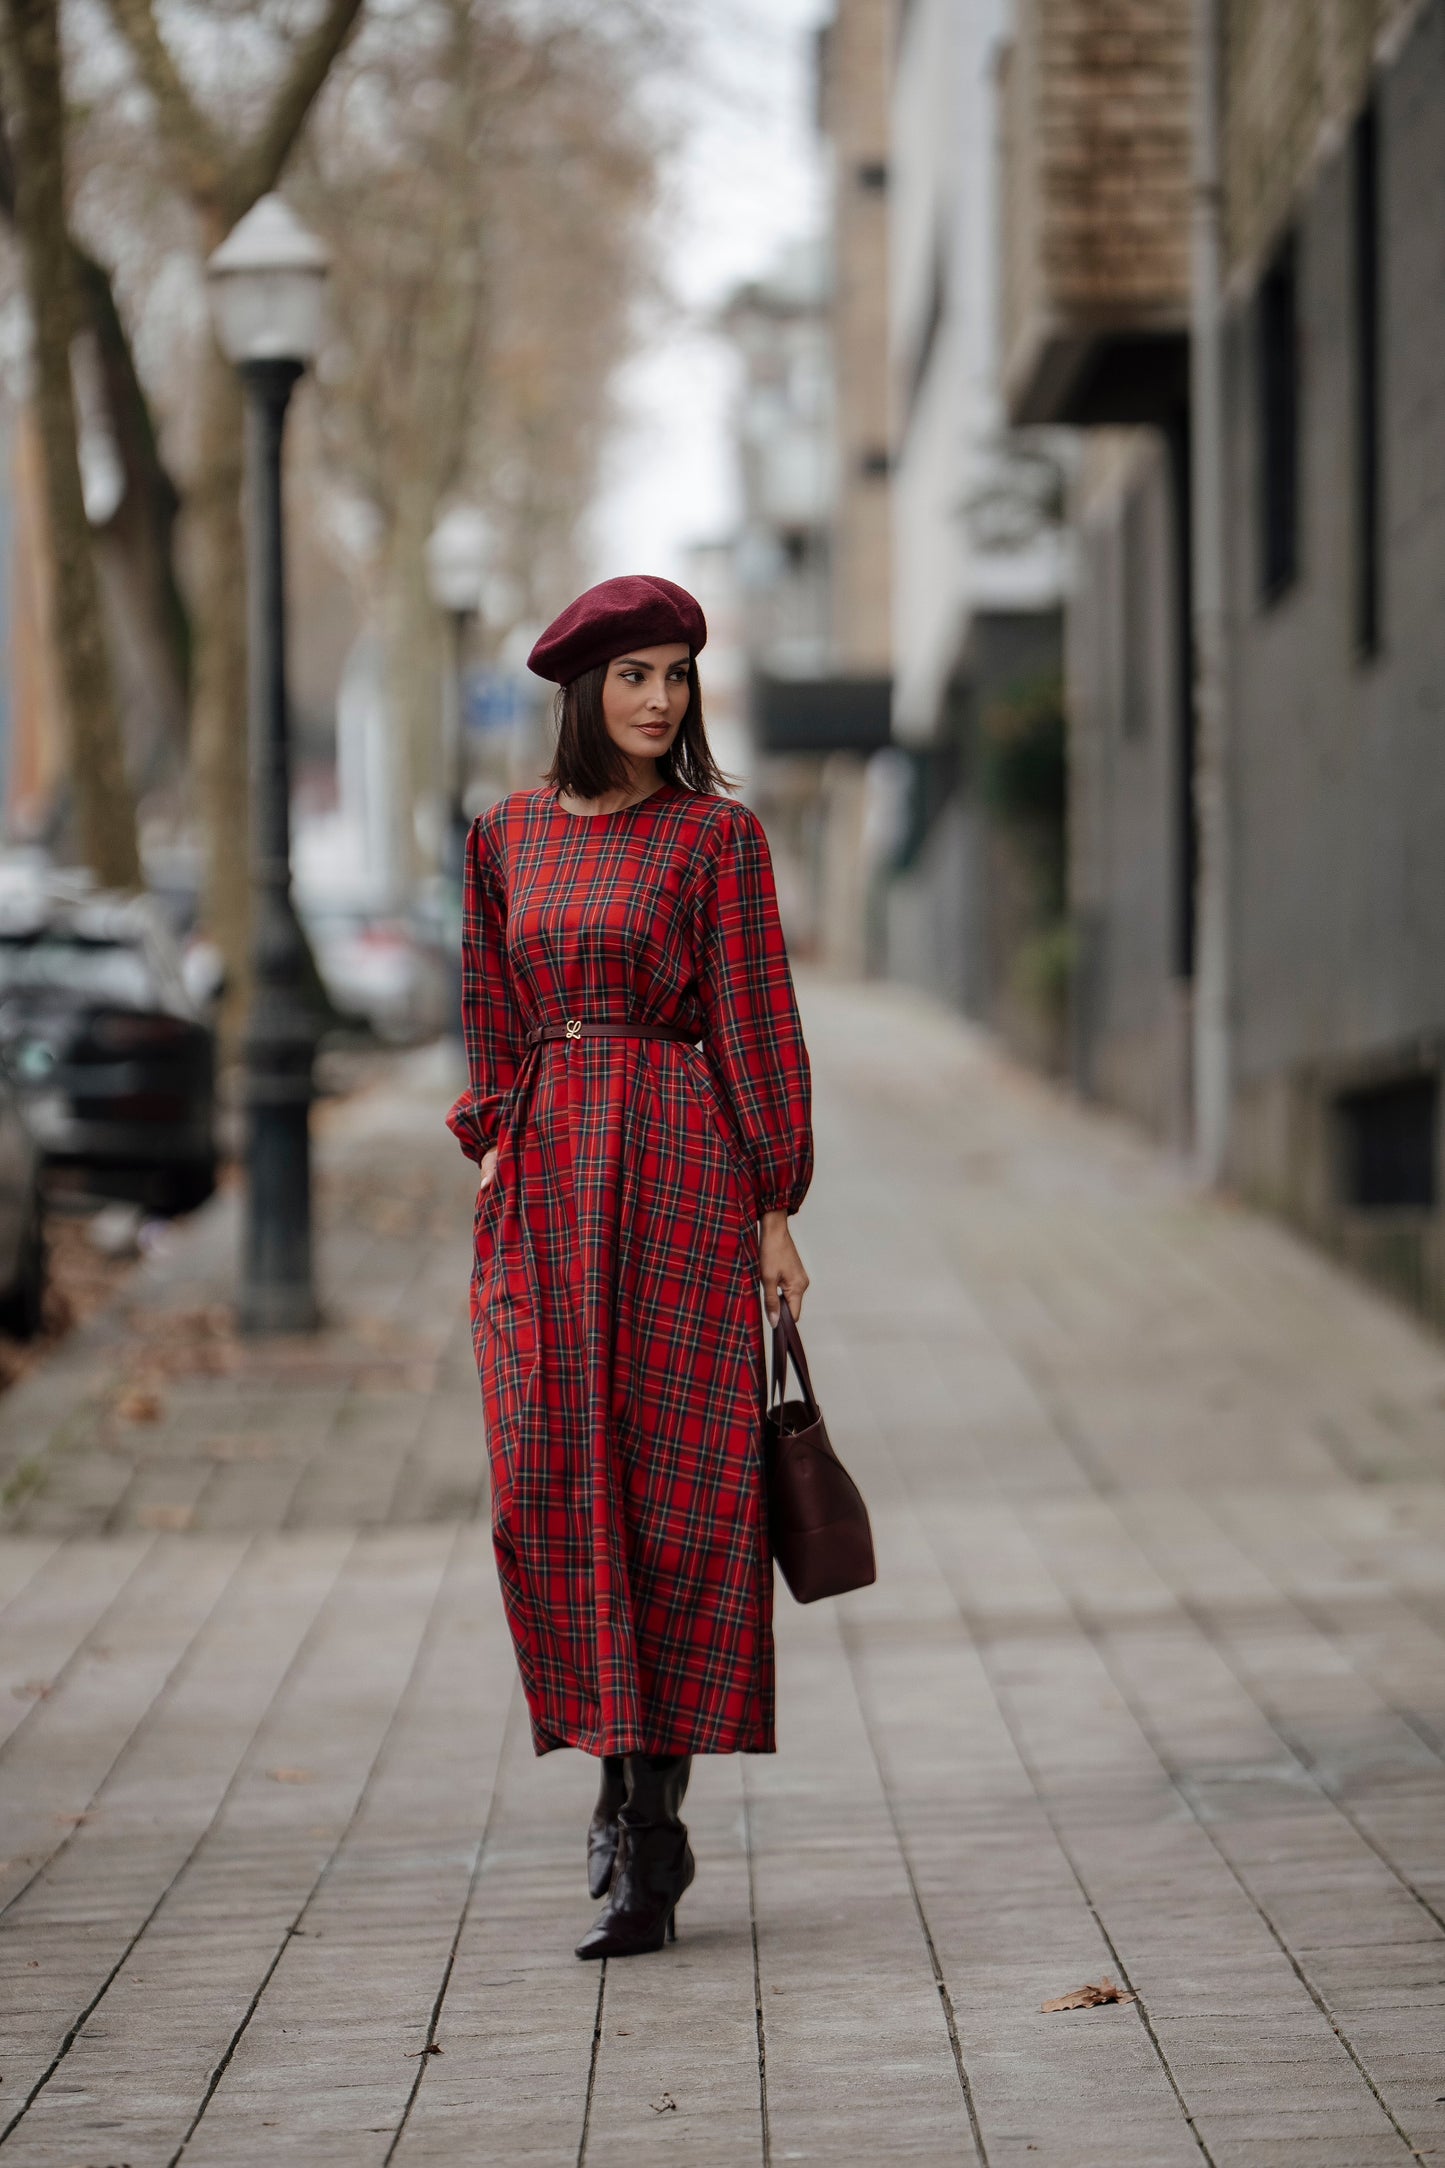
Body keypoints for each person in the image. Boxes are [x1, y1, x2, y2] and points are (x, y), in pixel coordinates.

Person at [447, 574, 813, 1961]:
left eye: (676, 675)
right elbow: (485, 1013)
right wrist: (492, 1142)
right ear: (582, 692)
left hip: (674, 1168)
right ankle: (615, 1784)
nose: (660, 699)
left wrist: (773, 1203)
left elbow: (758, 1025)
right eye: (635, 676)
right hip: (545, 1186)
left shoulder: (715, 840)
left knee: (676, 1493)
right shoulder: (504, 840)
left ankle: (642, 1826)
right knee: (552, 1481)